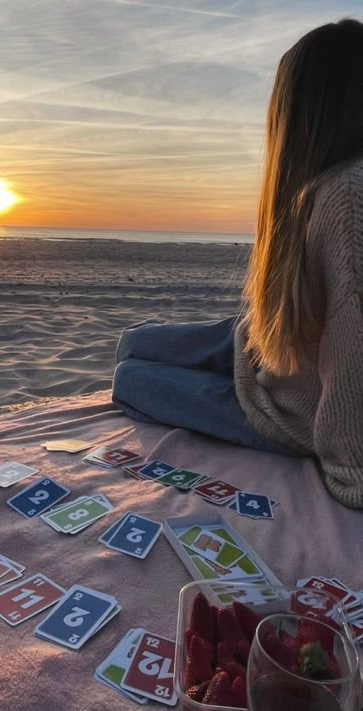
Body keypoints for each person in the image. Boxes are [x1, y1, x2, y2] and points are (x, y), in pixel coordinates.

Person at [112, 18, 363, 509]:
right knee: (134, 341)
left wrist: (351, 470)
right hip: (269, 349)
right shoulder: (333, 184)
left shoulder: (348, 192)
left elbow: (356, 341)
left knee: (130, 377)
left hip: (293, 403)